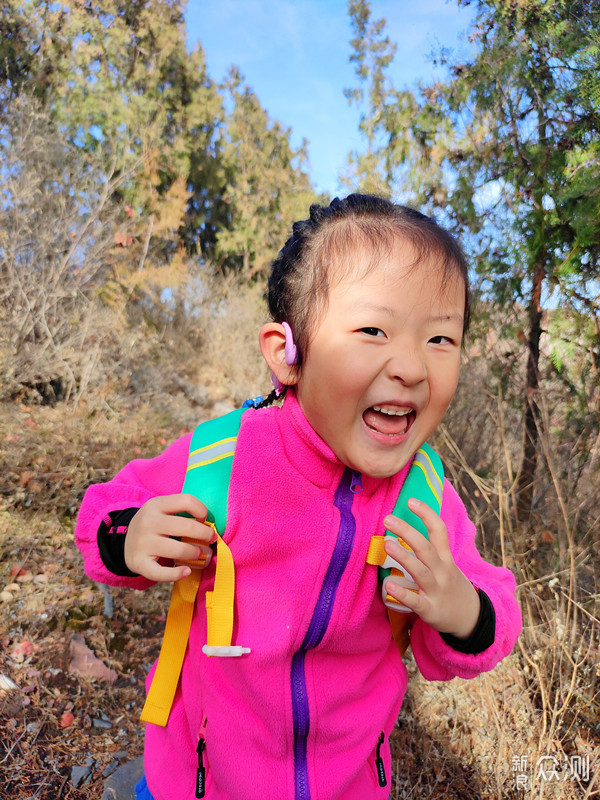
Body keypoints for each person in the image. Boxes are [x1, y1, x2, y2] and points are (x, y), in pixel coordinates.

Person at [75, 194, 522, 800]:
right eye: (372, 330)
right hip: (201, 777)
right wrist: (129, 535)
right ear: (287, 354)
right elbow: (106, 508)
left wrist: (460, 608)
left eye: (441, 338)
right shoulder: (222, 460)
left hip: (352, 783)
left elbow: (491, 611)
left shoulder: (424, 495)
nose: (414, 367)